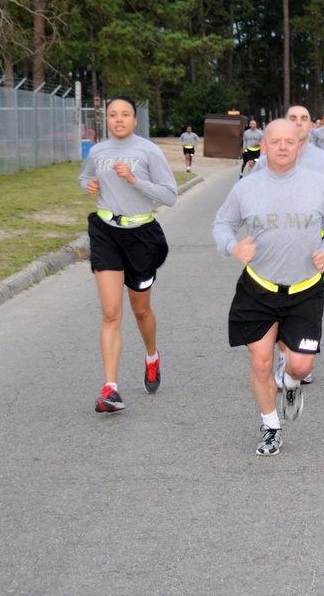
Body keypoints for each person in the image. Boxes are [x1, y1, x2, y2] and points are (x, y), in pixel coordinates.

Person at [212, 118, 324, 456]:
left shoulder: (318, 184)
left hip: (305, 289)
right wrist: (233, 247)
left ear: (300, 146)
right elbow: (222, 224)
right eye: (276, 141)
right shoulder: (246, 187)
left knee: (301, 365)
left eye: (290, 141)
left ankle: (290, 381)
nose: (283, 147)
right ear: (264, 145)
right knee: (260, 363)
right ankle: (271, 426)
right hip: (258, 289)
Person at [78, 96, 178, 413]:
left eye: (125, 115)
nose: (118, 119)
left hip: (141, 236)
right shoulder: (98, 152)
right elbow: (84, 177)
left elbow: (170, 195)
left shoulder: (149, 151)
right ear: (105, 120)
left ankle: (151, 355)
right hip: (106, 230)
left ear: (135, 120)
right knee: (110, 312)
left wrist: (135, 179)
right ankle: (111, 388)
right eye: (112, 115)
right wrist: (89, 185)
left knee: (140, 310)